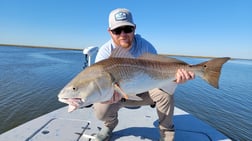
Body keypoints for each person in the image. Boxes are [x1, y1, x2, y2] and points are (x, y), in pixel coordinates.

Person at [93, 8, 194, 141]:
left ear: (134, 28)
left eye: (127, 29)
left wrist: (175, 79)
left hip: (145, 91)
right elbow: (98, 84)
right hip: (117, 94)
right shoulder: (104, 53)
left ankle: (167, 134)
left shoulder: (146, 47)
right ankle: (109, 125)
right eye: (117, 31)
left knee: (165, 94)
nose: (123, 34)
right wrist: (105, 96)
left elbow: (160, 74)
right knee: (100, 109)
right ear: (109, 32)